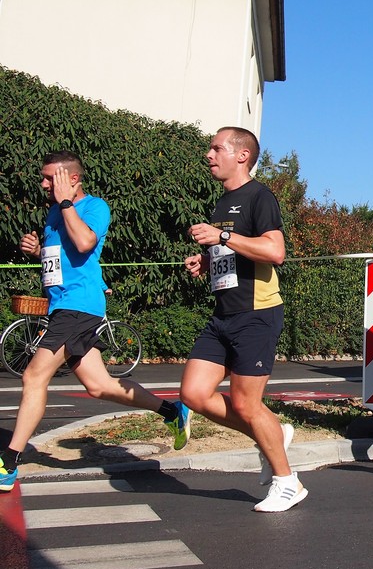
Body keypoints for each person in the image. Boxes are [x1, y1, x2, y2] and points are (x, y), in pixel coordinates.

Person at [1, 151, 190, 493]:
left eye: (50, 178)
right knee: (99, 386)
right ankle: (172, 411)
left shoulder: (93, 207)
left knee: (34, 374)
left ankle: (9, 463)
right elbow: (61, 257)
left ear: (71, 179)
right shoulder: (55, 213)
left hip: (80, 306)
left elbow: (86, 241)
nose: (44, 184)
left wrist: (66, 206)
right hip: (62, 307)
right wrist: (36, 250)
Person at [179, 127, 303, 513]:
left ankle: (288, 482)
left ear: (242, 155)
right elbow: (234, 250)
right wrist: (208, 258)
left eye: (217, 148)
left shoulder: (259, 196)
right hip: (223, 314)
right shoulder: (223, 201)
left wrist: (222, 237)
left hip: (256, 313)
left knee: (248, 404)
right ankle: (275, 433)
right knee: (194, 394)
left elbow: (275, 251)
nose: (208, 154)